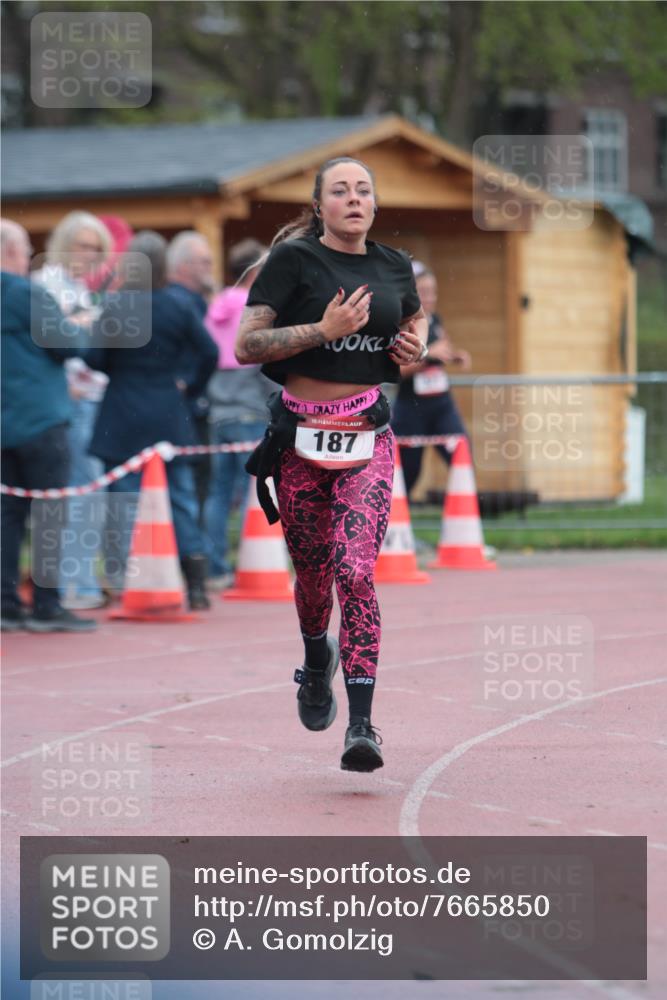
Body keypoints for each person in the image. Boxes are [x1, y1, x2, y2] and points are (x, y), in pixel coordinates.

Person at [235, 157, 427, 772]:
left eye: (363, 190)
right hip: (300, 442)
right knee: (315, 579)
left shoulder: (393, 265)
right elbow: (246, 345)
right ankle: (317, 658)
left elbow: (413, 315)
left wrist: (416, 341)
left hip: (366, 435)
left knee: (355, 570)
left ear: (375, 203)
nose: (354, 198)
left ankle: (362, 725)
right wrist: (323, 329)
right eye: (340, 191)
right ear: (320, 206)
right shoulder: (293, 261)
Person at [86, 231, 219, 611]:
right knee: (180, 498)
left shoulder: (116, 307)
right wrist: (188, 386)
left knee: (126, 500)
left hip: (122, 414)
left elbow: (93, 358)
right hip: (168, 411)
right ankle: (195, 584)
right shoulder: (178, 305)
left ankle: (133, 581)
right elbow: (209, 351)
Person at [1, 219, 96, 633]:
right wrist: (81, 323)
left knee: (8, 515)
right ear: (11, 251)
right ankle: (46, 604)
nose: (28, 258)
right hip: (41, 418)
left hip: (6, 419)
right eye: (25, 250)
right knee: (50, 514)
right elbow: (69, 345)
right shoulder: (27, 293)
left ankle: (6, 604)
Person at [32, 211, 113, 609]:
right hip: (68, 403)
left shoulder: (80, 287)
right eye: (84, 246)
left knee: (89, 494)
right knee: (81, 493)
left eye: (97, 248)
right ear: (64, 244)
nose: (90, 254)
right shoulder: (45, 284)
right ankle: (74, 586)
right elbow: (43, 342)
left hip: (90, 398)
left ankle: (79, 582)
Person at [204, 238, 272, 589]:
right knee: (252, 492)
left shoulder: (217, 305)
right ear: (256, 271)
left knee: (218, 493)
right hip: (249, 411)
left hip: (219, 412)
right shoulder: (254, 309)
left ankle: (215, 567)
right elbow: (263, 363)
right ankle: (252, 563)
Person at [391, 261, 472, 497]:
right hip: (411, 407)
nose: (430, 298)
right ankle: (394, 515)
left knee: (462, 455)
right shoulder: (403, 325)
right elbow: (398, 372)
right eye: (424, 292)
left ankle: (468, 512)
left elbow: (442, 349)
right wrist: (428, 356)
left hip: (442, 404)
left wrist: (455, 356)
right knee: (408, 470)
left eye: (433, 292)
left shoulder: (436, 320)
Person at [166, 231, 217, 522]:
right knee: (191, 479)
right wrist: (191, 384)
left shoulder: (189, 300)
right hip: (185, 406)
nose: (210, 268)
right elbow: (208, 352)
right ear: (184, 265)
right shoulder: (184, 302)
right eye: (204, 262)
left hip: (182, 401)